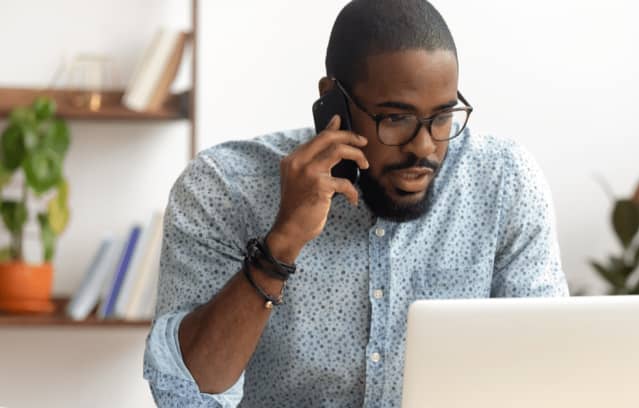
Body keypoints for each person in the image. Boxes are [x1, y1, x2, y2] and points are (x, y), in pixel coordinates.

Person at [143, 0, 569, 406]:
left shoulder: (502, 181)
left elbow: (553, 368)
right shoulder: (225, 187)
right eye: (396, 118)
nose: (425, 148)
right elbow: (186, 394)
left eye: (442, 116)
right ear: (333, 99)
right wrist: (282, 243)